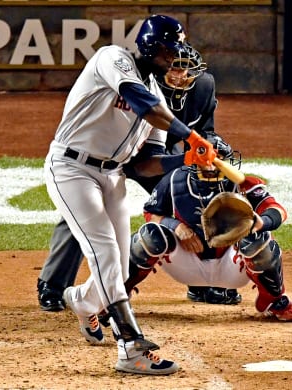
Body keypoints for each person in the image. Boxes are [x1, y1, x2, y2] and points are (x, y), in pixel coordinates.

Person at [43, 15, 216, 376]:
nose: (175, 59)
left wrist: (186, 159)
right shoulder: (113, 59)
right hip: (71, 169)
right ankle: (131, 346)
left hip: (112, 176)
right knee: (103, 249)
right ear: (152, 47)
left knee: (119, 268)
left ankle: (80, 299)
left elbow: (144, 165)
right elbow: (140, 102)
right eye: (170, 50)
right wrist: (190, 136)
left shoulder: (156, 96)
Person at [37, 44, 240, 313]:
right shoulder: (140, 80)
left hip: (159, 156)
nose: (179, 73)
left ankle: (201, 279)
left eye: (185, 68)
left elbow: (206, 132)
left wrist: (203, 157)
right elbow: (149, 116)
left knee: (194, 198)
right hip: (117, 153)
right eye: (174, 64)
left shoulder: (201, 87)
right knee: (86, 212)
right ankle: (53, 284)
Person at [123, 133, 292, 323]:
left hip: (231, 266)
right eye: (208, 161)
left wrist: (263, 222)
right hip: (186, 263)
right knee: (149, 235)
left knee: (259, 238)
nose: (213, 165)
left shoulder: (243, 184)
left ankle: (274, 300)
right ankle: (119, 294)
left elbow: (277, 210)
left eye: (220, 160)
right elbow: (151, 214)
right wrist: (175, 226)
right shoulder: (174, 180)